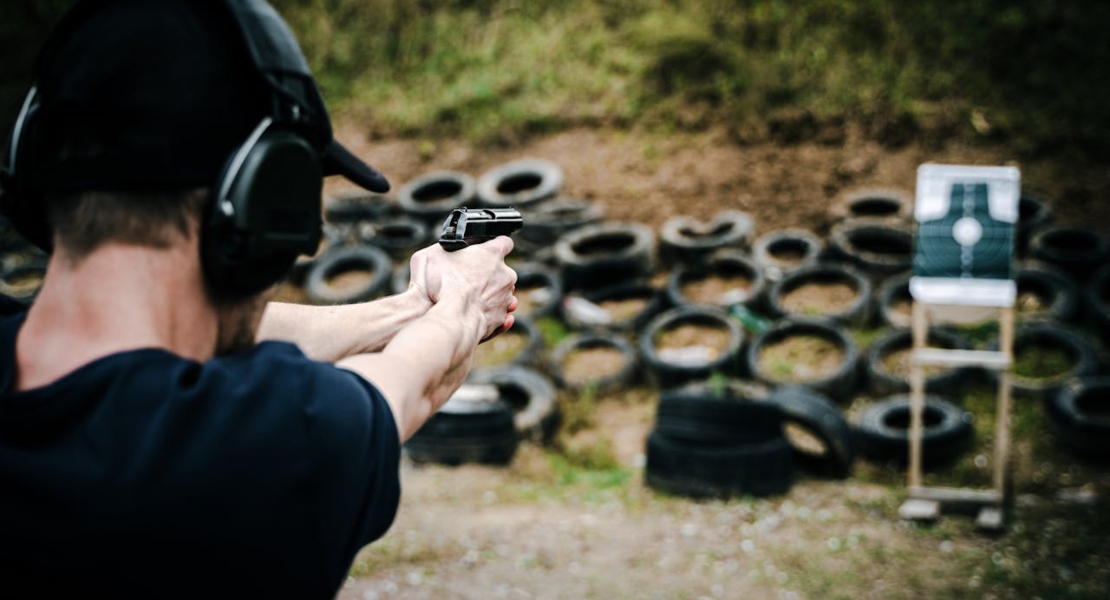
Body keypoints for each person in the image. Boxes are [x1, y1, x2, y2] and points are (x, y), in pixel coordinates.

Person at [0, 0, 518, 598]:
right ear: (264, 202)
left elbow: (210, 339)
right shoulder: (258, 450)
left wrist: (409, 307)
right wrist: (463, 302)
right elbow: (409, 386)